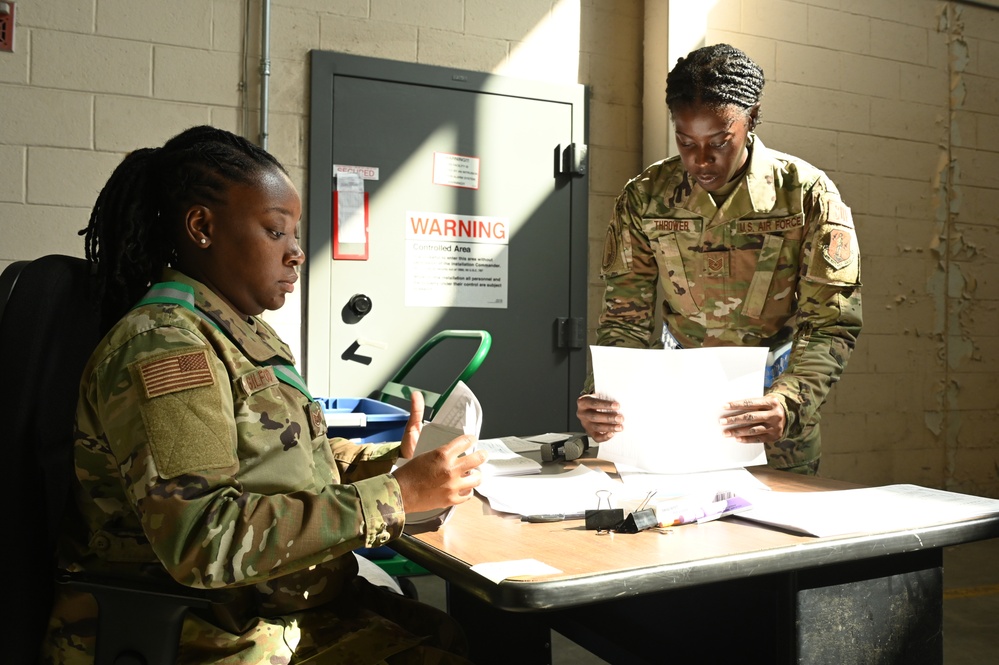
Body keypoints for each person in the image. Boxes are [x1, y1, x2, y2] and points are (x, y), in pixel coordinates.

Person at [41, 125, 487, 664]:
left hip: (269, 605)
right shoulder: (165, 348)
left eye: (295, 236)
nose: (297, 253)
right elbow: (205, 540)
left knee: (446, 635)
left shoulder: (237, 331)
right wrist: (396, 496)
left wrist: (393, 464)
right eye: (277, 232)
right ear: (202, 226)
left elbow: (283, 459)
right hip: (210, 632)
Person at [577, 43, 862, 474]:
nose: (701, 160)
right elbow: (624, 319)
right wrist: (606, 394)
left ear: (751, 121)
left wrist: (789, 402)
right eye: (685, 142)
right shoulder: (646, 197)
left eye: (719, 142)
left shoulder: (807, 195)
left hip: (773, 426)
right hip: (673, 422)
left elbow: (830, 324)